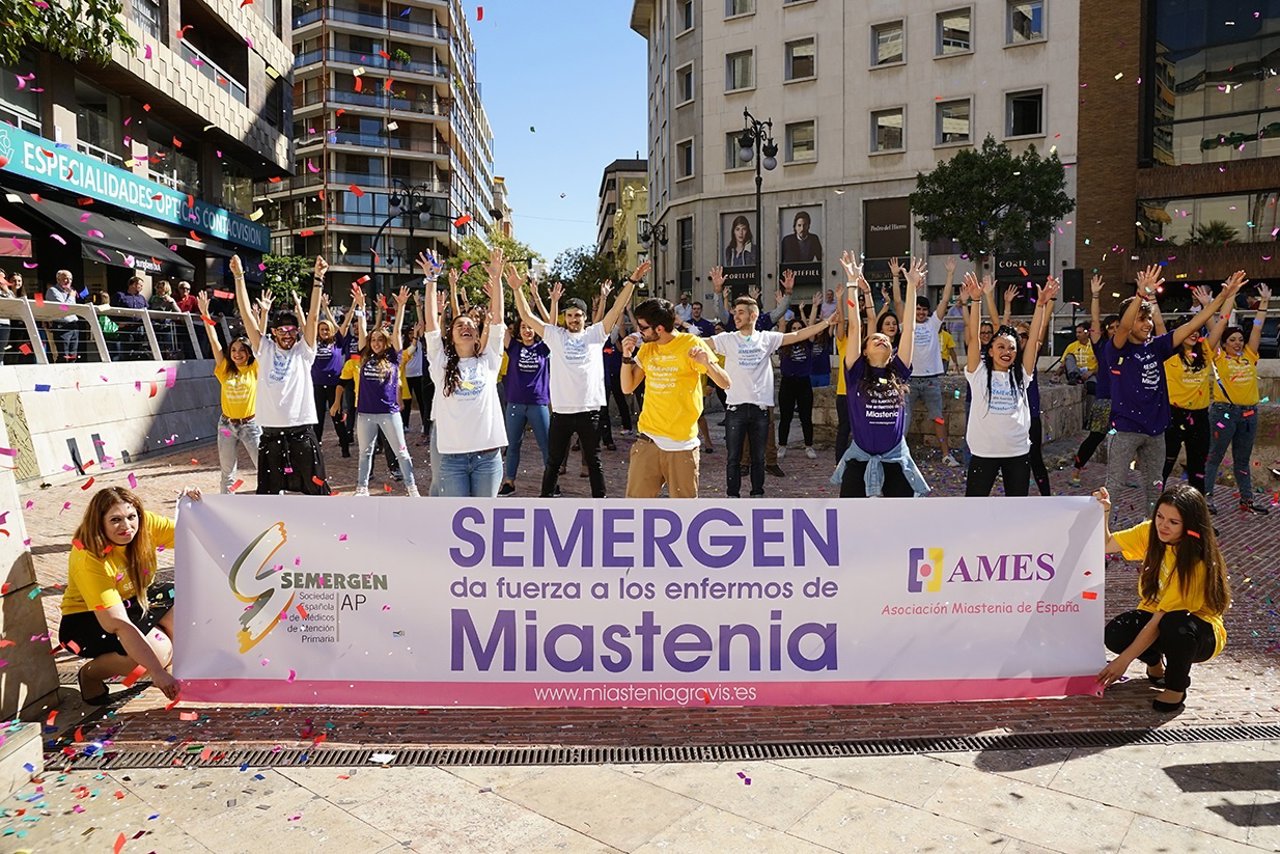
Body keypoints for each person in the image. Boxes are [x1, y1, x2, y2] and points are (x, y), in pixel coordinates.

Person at [1106, 265, 1242, 519]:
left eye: (1149, 319)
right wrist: (1139, 295)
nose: (1147, 324)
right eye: (1141, 319)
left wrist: (1223, 297)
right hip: (1124, 429)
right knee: (1113, 487)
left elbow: (1194, 324)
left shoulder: (1157, 347)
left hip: (1156, 431)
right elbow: (1123, 328)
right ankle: (1100, 542)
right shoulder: (1117, 350)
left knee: (1155, 489)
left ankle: (1151, 539)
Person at [512, 261, 647, 498]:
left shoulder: (596, 334)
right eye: (570, 315)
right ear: (564, 317)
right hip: (562, 413)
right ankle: (545, 503)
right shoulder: (555, 335)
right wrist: (516, 289)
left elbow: (616, 309)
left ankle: (600, 504)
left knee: (594, 462)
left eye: (578, 315)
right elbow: (526, 315)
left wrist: (632, 282)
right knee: (553, 463)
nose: (574, 319)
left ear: (585, 317)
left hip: (590, 411)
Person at [1095, 484, 1229, 713]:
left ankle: (1176, 687)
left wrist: (1123, 661)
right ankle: (1154, 663)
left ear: (1189, 525)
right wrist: (1103, 511)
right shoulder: (1150, 532)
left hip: (1198, 631)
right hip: (1157, 618)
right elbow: (1107, 545)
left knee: (1174, 624)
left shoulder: (1196, 560)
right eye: (1160, 516)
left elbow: (1161, 619)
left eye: (1173, 522)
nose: (1162, 525)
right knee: (1115, 634)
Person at [59, 486, 200, 705]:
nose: (127, 527)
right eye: (115, 520)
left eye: (131, 517)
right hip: (87, 619)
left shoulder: (145, 525)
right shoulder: (89, 556)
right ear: (100, 523)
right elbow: (118, 624)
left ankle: (168, 665)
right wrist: (156, 671)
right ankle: (89, 674)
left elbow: (193, 530)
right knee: (158, 654)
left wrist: (196, 507)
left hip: (133, 601)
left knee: (187, 611)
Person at [707, 268, 834, 498]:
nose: (736, 316)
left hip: (760, 409)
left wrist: (825, 324)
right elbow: (702, 342)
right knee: (733, 458)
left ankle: (757, 494)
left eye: (741, 313)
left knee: (759, 457)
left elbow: (797, 336)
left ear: (753, 316)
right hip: (734, 408)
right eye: (735, 312)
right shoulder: (727, 339)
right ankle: (732, 496)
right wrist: (670, 337)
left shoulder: (767, 338)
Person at [232, 253, 332, 495]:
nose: (287, 334)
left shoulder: (304, 351)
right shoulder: (263, 349)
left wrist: (318, 278)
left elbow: (314, 316)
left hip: (301, 433)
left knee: (316, 491)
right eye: (281, 330)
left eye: (292, 329)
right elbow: (246, 315)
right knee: (268, 496)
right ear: (274, 332)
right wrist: (239, 276)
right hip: (271, 435)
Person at [834, 253, 930, 498]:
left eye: (886, 340)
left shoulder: (898, 371)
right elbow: (856, 326)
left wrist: (911, 286)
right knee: (850, 519)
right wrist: (852, 284)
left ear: (891, 353)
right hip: (861, 458)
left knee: (901, 522)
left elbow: (909, 328)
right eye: (875, 338)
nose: (881, 339)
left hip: (895, 459)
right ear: (864, 351)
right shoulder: (855, 372)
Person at [622, 296, 731, 498]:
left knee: (684, 512)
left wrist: (707, 363)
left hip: (682, 445)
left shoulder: (691, 343)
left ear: (659, 328)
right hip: (648, 441)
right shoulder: (648, 347)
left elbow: (725, 383)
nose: (639, 332)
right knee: (635, 511)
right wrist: (626, 356)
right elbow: (627, 387)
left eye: (643, 327)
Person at [961, 272, 1057, 497]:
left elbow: (1033, 339)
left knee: (1016, 510)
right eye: (1001, 347)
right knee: (973, 507)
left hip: (1017, 453)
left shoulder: (1022, 375)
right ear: (991, 350)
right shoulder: (978, 373)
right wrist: (976, 301)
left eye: (1012, 348)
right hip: (984, 454)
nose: (1007, 352)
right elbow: (974, 338)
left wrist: (1041, 306)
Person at [423, 247, 508, 498]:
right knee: (455, 524)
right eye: (460, 325)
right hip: (452, 460)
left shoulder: (489, 362)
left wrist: (497, 279)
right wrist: (431, 281)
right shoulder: (440, 363)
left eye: (471, 325)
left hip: (488, 459)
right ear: (451, 334)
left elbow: (498, 320)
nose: (466, 327)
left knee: (486, 523)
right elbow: (431, 324)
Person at [1204, 282, 1272, 514]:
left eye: (1239, 340)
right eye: (1232, 340)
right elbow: (1216, 326)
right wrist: (1210, 304)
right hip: (1224, 412)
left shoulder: (1250, 356)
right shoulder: (1218, 358)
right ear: (1223, 344)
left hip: (1249, 413)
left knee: (1242, 461)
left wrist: (1263, 303)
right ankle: (1207, 500)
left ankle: (1247, 500)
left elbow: (1257, 329)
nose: (1238, 343)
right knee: (1214, 457)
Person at [350, 284, 418, 497]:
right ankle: (362, 488)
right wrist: (360, 307)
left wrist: (401, 307)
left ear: (386, 342)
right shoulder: (365, 355)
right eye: (373, 339)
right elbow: (361, 329)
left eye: (380, 339)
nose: (376, 343)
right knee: (365, 453)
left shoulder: (394, 357)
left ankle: (411, 488)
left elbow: (397, 331)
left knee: (402, 452)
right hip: (365, 413)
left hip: (389, 413)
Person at [892, 255, 960, 467]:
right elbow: (898, 301)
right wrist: (896, 277)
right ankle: (897, 454)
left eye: (923, 310)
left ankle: (946, 454)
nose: (920, 312)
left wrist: (949, 275)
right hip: (909, 381)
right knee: (903, 420)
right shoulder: (905, 324)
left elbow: (945, 299)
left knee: (938, 418)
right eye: (918, 309)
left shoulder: (933, 324)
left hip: (931, 380)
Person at [197, 291, 260, 493]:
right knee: (227, 472)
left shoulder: (255, 368)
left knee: (265, 468)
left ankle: (275, 501)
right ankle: (226, 505)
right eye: (234, 350)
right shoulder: (225, 369)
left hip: (251, 425)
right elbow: (215, 342)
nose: (237, 354)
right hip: (226, 425)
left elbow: (259, 342)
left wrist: (259, 319)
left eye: (242, 350)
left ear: (249, 353)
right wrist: (205, 314)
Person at [1162, 286, 1218, 495]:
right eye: (1189, 329)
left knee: (1197, 468)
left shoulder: (1204, 352)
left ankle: (1198, 512)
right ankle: (1152, 510)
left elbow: (1217, 330)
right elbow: (1159, 324)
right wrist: (1149, 296)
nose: (1194, 333)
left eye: (1196, 330)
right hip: (1173, 416)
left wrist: (1207, 305)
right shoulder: (1168, 354)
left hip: (1200, 416)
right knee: (1165, 464)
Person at [1070, 275, 1119, 486]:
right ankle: (1076, 471)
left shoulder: (1129, 347)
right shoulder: (1101, 346)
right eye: (1111, 327)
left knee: (1123, 441)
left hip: (1125, 402)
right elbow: (1095, 321)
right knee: (1095, 438)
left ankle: (1120, 477)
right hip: (1105, 400)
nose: (1115, 330)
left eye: (1118, 326)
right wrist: (1096, 295)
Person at [498, 317, 551, 496]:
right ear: (518, 330)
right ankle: (509, 482)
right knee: (513, 445)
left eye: (530, 327)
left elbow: (550, 325)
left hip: (538, 403)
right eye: (523, 327)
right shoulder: (513, 347)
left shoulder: (544, 348)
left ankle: (552, 481)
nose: (527, 330)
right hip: (515, 404)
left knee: (546, 446)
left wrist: (552, 302)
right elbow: (500, 321)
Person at [311, 295, 354, 452]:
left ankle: (344, 446)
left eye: (326, 329)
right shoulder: (314, 343)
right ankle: (316, 447)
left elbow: (345, 324)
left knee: (336, 416)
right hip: (316, 384)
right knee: (318, 418)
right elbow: (306, 325)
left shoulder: (337, 342)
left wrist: (354, 304)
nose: (324, 332)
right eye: (321, 329)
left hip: (334, 385)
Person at [777, 316, 817, 459]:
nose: (797, 331)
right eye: (794, 328)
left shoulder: (808, 343)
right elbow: (781, 327)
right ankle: (782, 446)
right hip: (788, 382)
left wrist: (814, 307)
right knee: (785, 417)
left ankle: (809, 446)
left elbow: (812, 326)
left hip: (803, 382)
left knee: (805, 417)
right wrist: (782, 304)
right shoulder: (784, 344)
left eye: (799, 329)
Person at [46, 269, 79, 362]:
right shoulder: (53, 290)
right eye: (65, 279)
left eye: (70, 279)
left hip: (74, 325)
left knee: (73, 355)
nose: (68, 281)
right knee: (63, 355)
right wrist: (72, 296)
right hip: (62, 326)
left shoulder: (70, 291)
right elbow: (63, 308)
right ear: (58, 280)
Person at [149, 279, 180, 358]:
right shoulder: (153, 298)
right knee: (156, 346)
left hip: (167, 326)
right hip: (155, 326)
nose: (160, 290)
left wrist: (172, 303)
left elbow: (178, 312)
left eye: (162, 288)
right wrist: (162, 303)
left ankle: (169, 364)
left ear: (166, 289)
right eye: (158, 287)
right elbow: (151, 310)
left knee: (169, 348)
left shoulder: (170, 299)